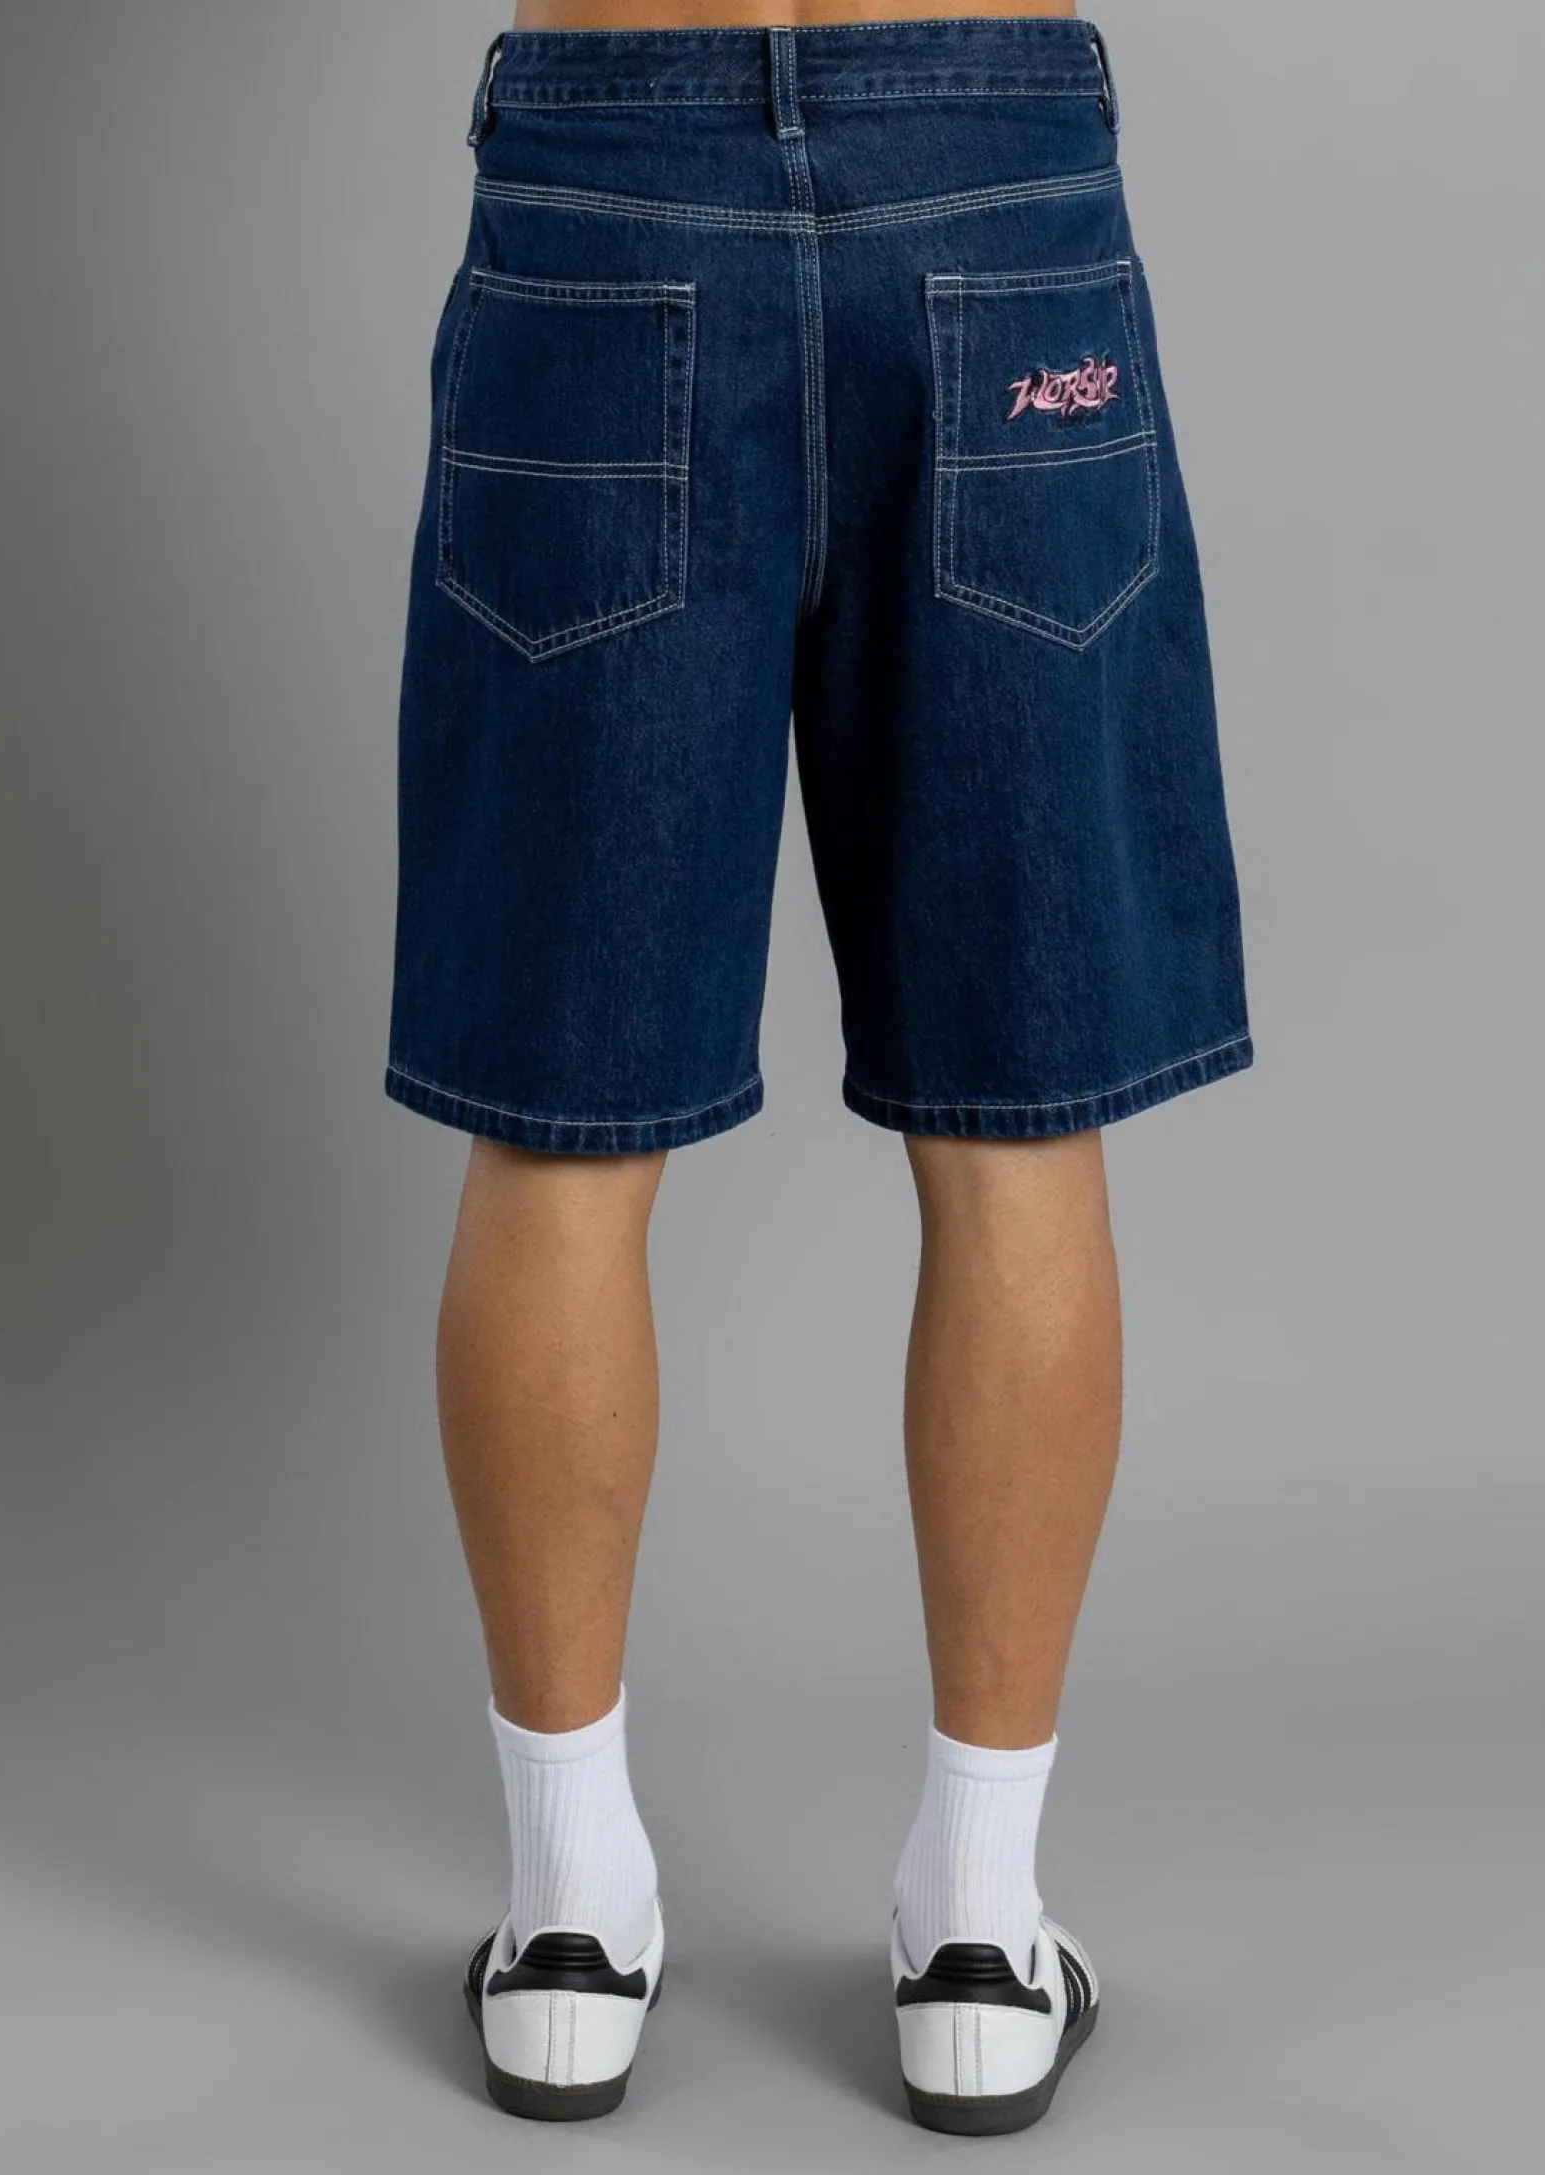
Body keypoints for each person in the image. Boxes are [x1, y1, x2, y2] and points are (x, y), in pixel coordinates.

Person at [387, 0, 1250, 2133]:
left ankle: (569, 1925)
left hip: (609, 180)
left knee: (561, 1133)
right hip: (990, 163)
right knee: (1015, 1122)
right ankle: (979, 1936)